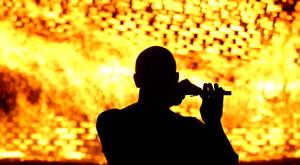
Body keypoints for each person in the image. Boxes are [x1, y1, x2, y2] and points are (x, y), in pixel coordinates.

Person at [96, 46, 239, 165]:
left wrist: (167, 99)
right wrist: (213, 122)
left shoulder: (111, 121)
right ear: (175, 79)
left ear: (137, 80)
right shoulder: (190, 129)